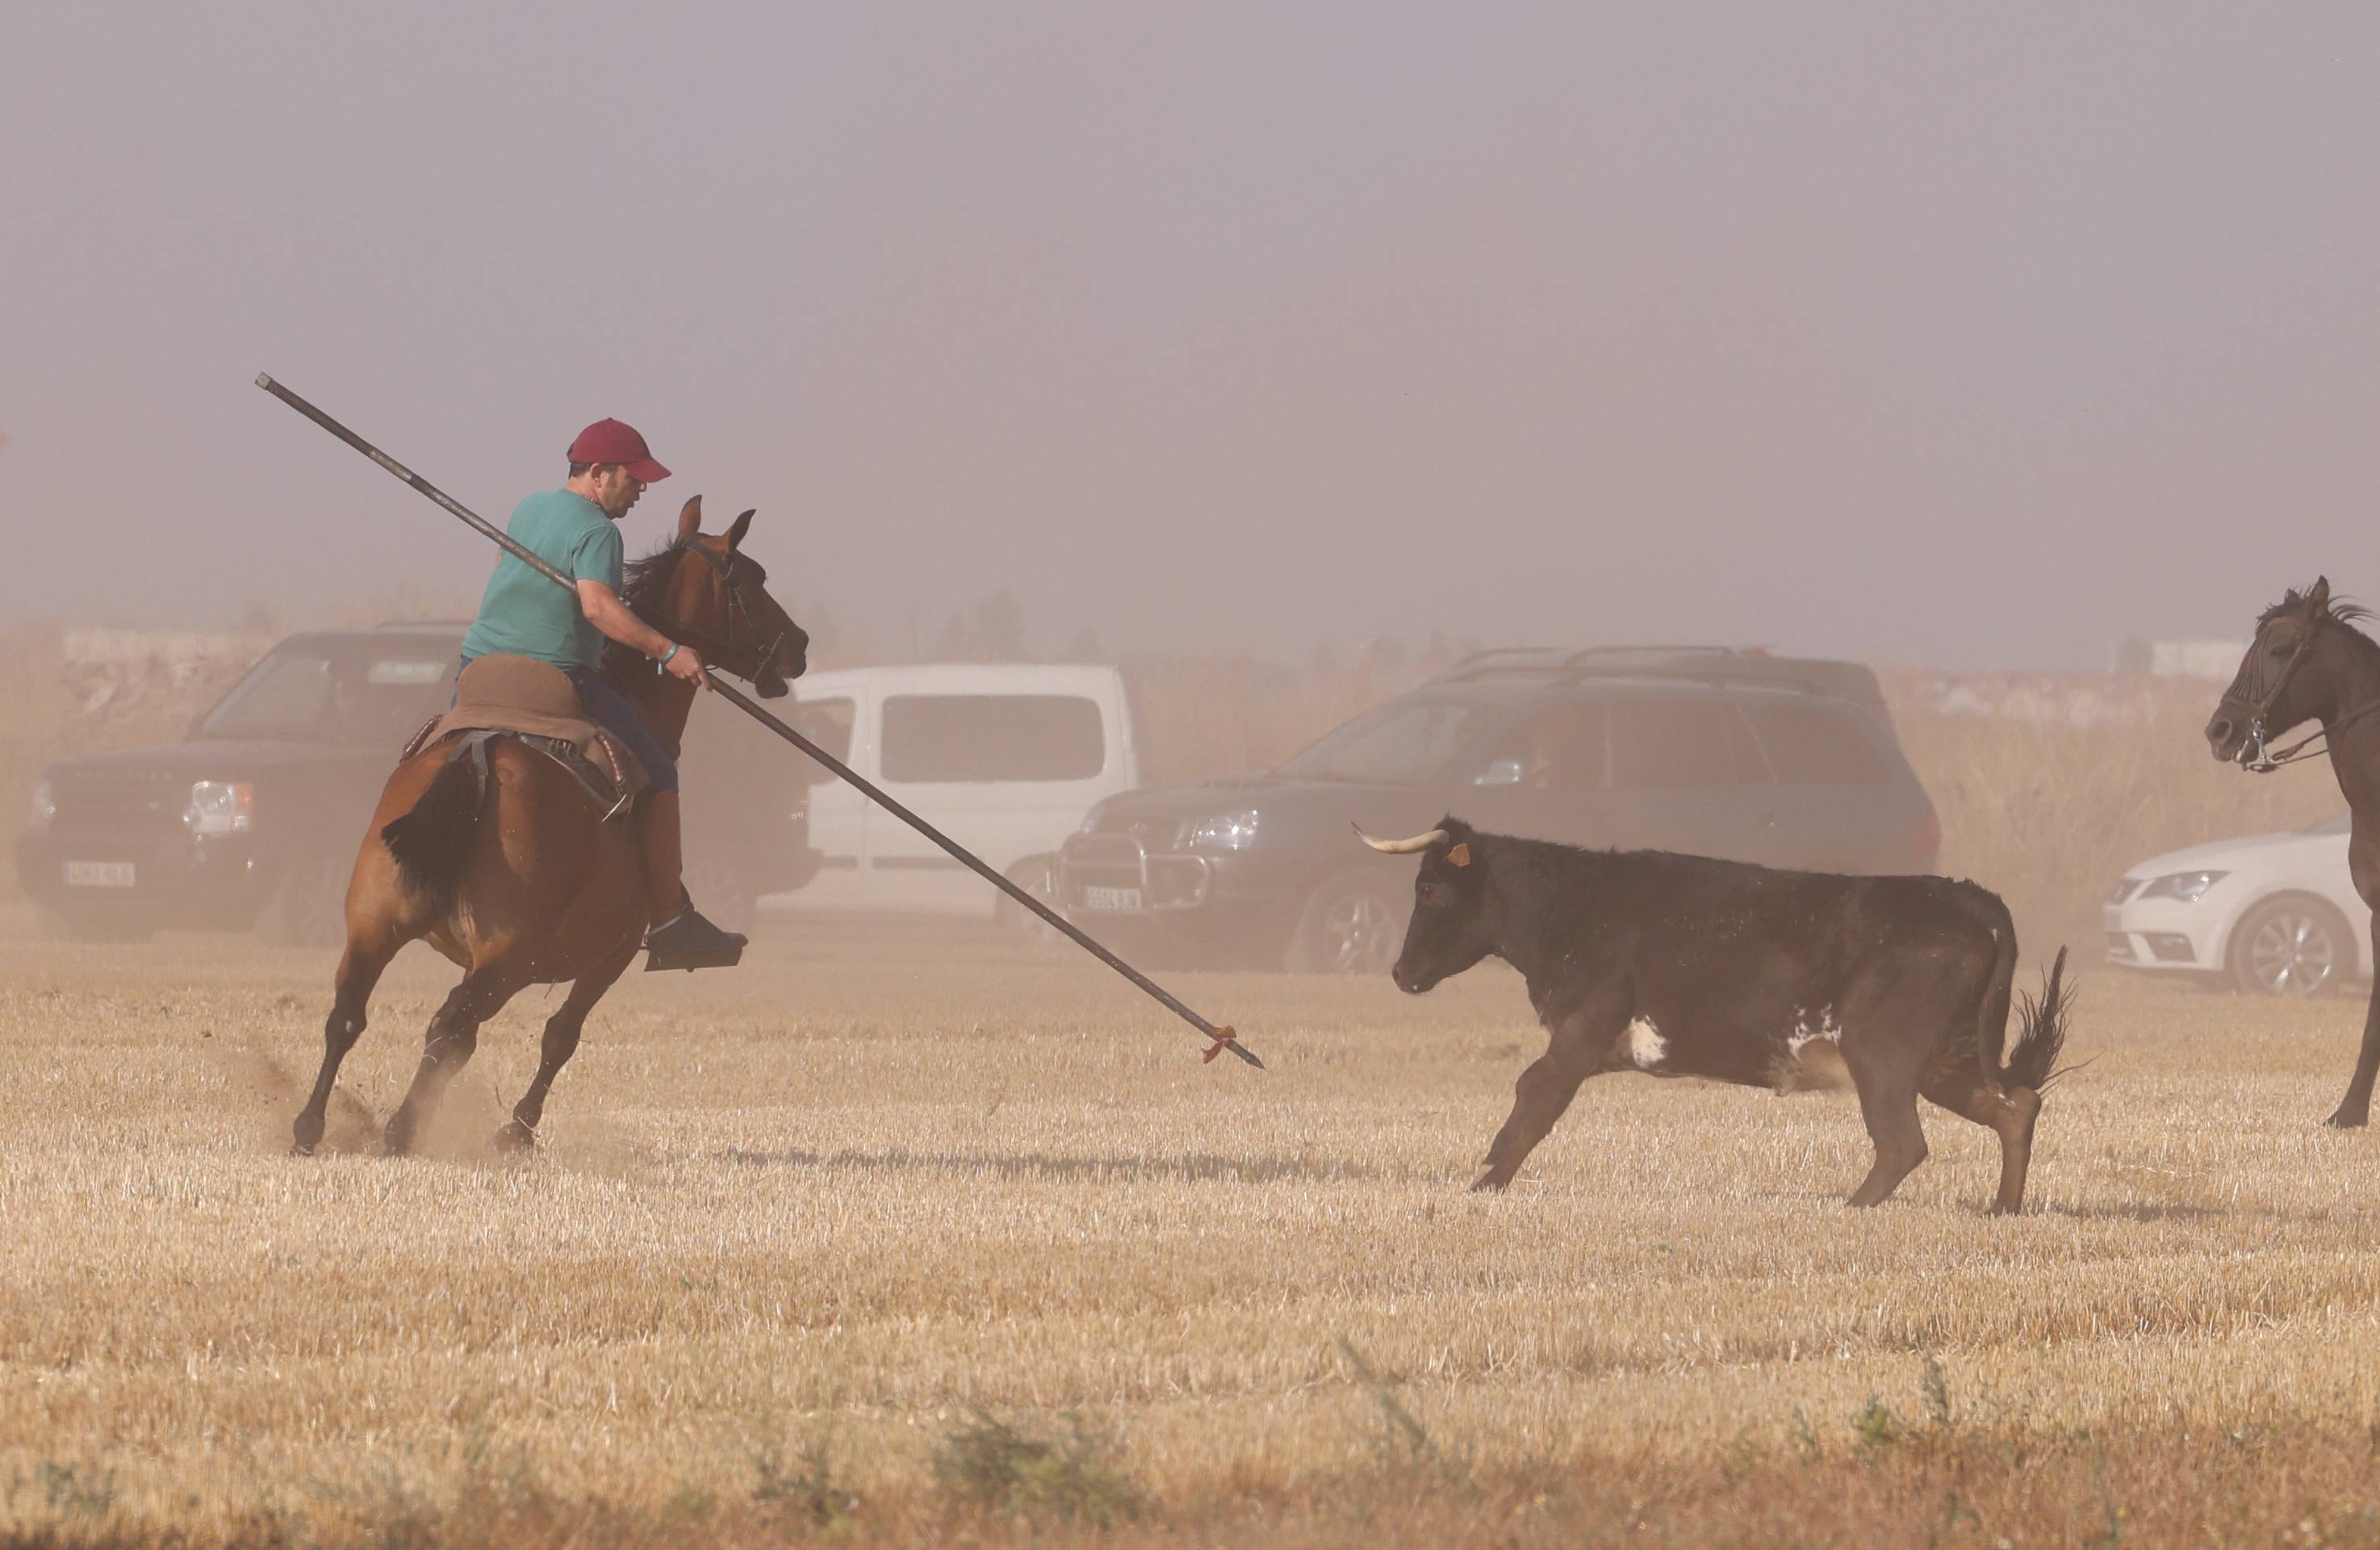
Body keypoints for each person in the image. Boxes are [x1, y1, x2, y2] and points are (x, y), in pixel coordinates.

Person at [458, 417, 747, 970]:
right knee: (659, 769)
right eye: (632, 478)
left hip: (479, 666)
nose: (641, 490)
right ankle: (668, 918)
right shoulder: (598, 531)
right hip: (559, 676)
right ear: (597, 473)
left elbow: (500, 574)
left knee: (455, 751)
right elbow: (597, 607)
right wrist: (669, 653)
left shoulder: (527, 509)